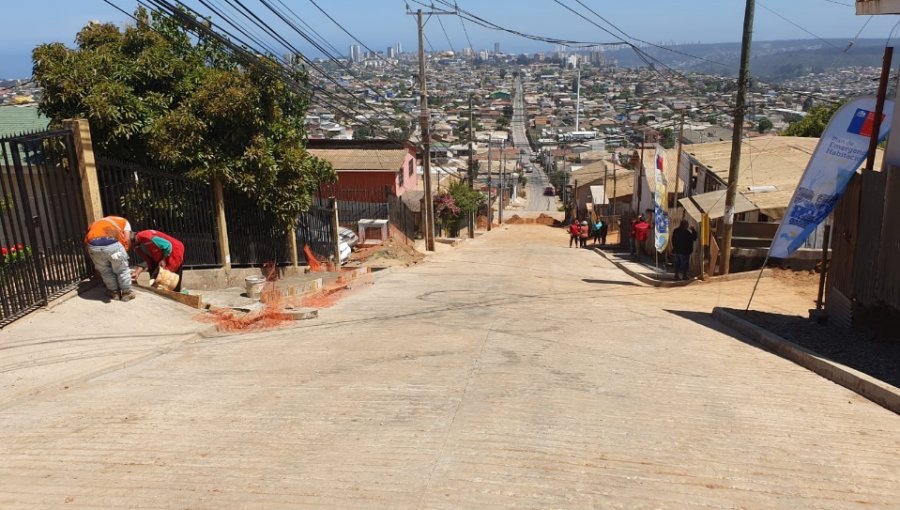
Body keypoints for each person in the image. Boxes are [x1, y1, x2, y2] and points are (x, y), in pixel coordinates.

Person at [84, 215, 134, 301]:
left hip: (93, 246)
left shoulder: (96, 223)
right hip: (112, 244)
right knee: (122, 269)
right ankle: (126, 293)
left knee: (105, 271)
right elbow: (127, 238)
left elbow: (89, 236)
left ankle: (114, 293)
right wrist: (125, 251)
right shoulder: (124, 222)